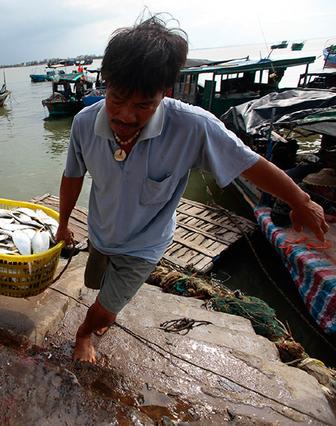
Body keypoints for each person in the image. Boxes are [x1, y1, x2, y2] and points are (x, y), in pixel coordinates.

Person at [54, 15, 329, 363]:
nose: (125, 115)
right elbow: (73, 175)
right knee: (97, 284)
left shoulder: (193, 127)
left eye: (142, 105)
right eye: (117, 99)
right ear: (105, 84)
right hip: (101, 231)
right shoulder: (82, 124)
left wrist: (300, 200)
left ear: (164, 93)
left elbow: (249, 163)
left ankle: (85, 332)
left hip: (145, 243)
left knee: (106, 309)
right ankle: (106, 309)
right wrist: (63, 223)